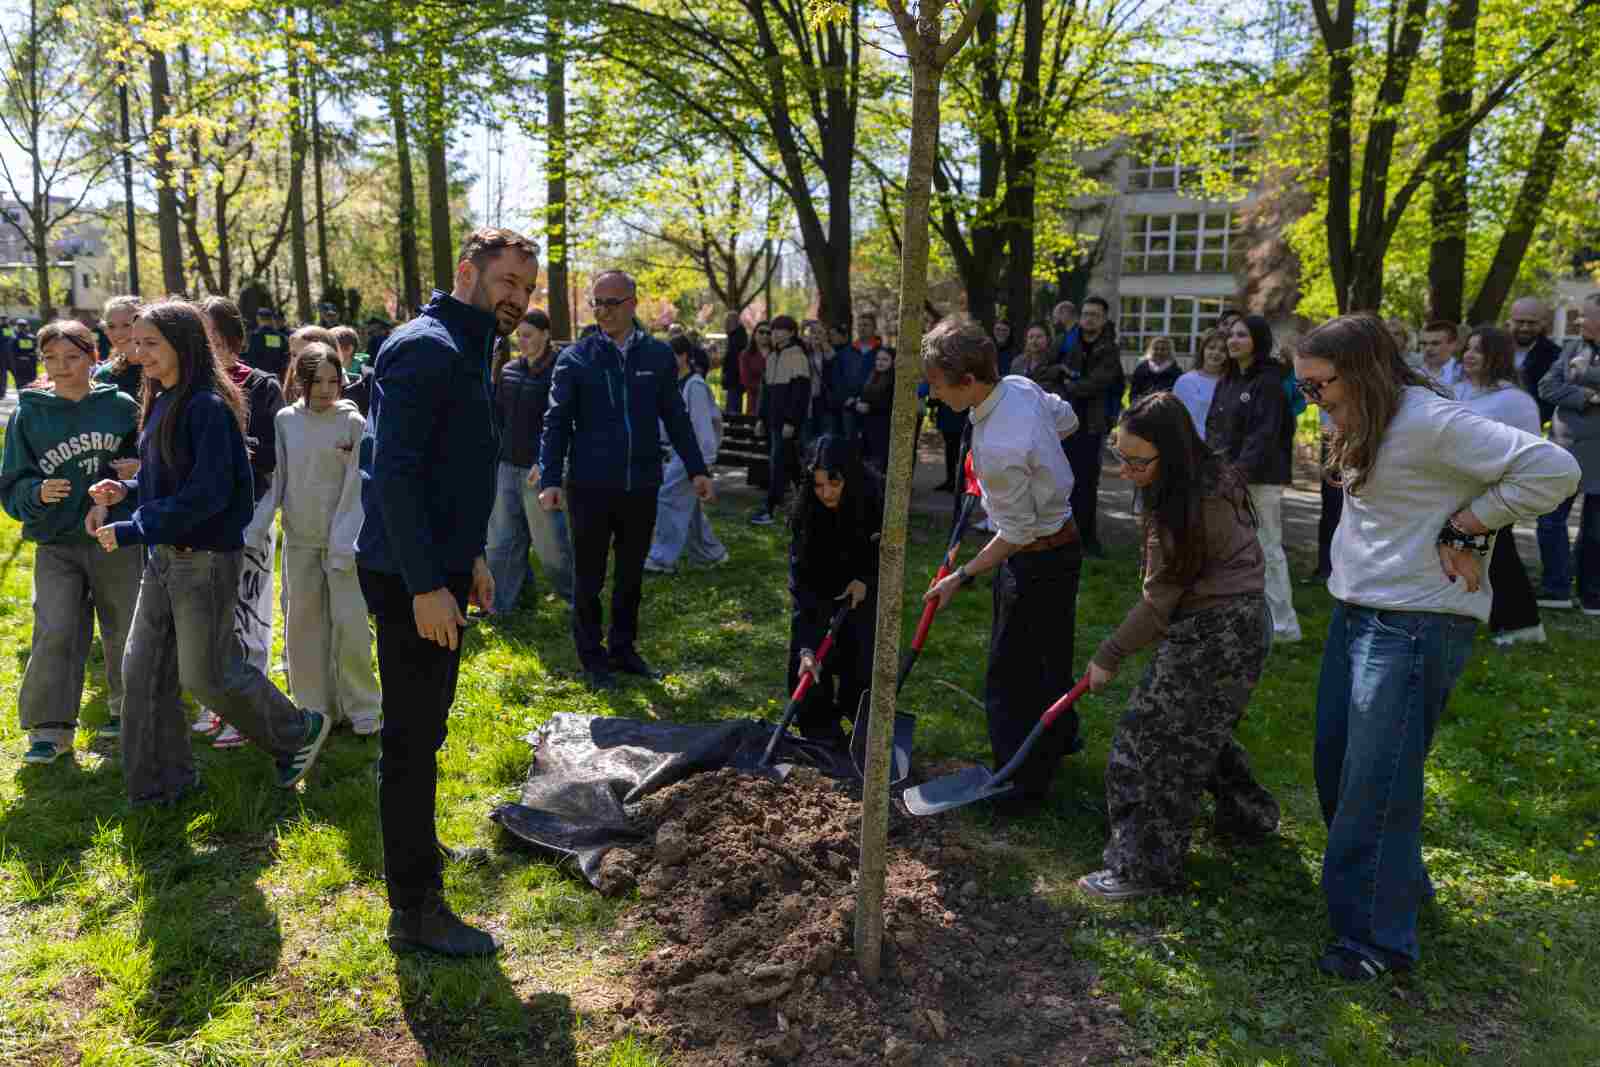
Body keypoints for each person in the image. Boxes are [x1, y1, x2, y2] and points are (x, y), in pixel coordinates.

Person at [1295, 313, 1578, 980]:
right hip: (1360, 609)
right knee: (1339, 765)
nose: (1314, 402)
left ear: (1360, 371)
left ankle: (1375, 941)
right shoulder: (1369, 415)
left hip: (1417, 620)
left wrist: (1470, 525)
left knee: (1377, 782)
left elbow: (1553, 468)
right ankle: (1396, 887)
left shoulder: (1428, 419)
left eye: (1319, 386)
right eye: (1305, 388)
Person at [358, 226, 539, 957]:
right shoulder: (425, 346)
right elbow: (390, 475)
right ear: (468, 270)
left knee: (427, 728)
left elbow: (453, 467)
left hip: (441, 568)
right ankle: (415, 909)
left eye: (527, 288)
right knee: (408, 740)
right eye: (507, 282)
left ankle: (417, 854)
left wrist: (470, 561)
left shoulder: (471, 347)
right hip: (408, 577)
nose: (518, 299)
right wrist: (428, 584)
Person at [86, 300, 332, 805]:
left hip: (204, 561)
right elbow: (166, 483)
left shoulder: (208, 406)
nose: (138, 352)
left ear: (184, 343)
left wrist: (133, 527)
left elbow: (209, 495)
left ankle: (297, 731)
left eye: (150, 343)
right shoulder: (160, 397)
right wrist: (125, 493)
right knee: (142, 674)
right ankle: (160, 789)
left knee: (207, 674)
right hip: (163, 557)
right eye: (135, 342)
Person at [1077, 392, 1276, 900]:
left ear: (1173, 452)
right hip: (1242, 622)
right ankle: (1250, 818)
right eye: (1118, 455)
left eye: (1136, 461)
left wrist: (1109, 655)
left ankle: (1140, 869)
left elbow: (1158, 603)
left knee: (1149, 746)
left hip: (1216, 633)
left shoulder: (1186, 509)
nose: (1125, 470)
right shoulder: (1201, 478)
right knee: (1199, 728)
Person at [922, 318, 1083, 815]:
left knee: (1009, 677)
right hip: (1063, 546)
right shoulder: (1018, 386)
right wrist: (1043, 463)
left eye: (936, 384)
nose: (932, 393)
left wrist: (961, 575)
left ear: (968, 381)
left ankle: (1020, 786)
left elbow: (1014, 535)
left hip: (1034, 556)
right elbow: (1069, 419)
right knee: (1050, 657)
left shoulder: (997, 447)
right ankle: (1057, 742)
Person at [537, 270, 714, 689]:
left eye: (611, 302)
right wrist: (550, 478)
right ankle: (591, 658)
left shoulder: (656, 357)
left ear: (633, 304)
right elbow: (556, 421)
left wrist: (697, 469)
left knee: (631, 574)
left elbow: (675, 416)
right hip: (590, 487)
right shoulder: (576, 358)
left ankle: (623, 648)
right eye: (596, 302)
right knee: (589, 578)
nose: (602, 311)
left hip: (641, 484)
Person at [0, 319, 142, 762]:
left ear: (93, 356)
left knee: (124, 627)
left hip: (114, 538)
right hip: (56, 541)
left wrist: (134, 473)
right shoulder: (29, 413)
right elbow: (11, 484)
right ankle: (50, 727)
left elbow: (148, 464)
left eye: (72, 357)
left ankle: (130, 711)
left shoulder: (121, 407)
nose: (61, 368)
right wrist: (36, 493)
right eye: (51, 358)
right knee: (56, 627)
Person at [255, 344, 381, 733]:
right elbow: (279, 481)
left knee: (351, 626)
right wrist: (255, 527)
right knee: (305, 629)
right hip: (300, 541)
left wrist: (346, 538)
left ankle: (363, 708)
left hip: (344, 542)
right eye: (317, 381)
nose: (326, 389)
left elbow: (358, 485)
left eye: (333, 380)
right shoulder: (285, 421)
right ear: (301, 380)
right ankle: (316, 709)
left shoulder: (353, 422)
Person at [191, 297, 288, 750]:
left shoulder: (261, 385)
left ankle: (250, 710)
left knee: (248, 611)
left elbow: (270, 452)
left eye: (208, 334)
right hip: (201, 521)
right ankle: (218, 702)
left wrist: (227, 455)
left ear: (229, 338)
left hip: (251, 513)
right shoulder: (189, 385)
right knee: (210, 614)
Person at [1206, 314, 1302, 643]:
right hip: (1224, 478)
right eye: (1230, 335)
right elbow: (1214, 431)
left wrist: (1238, 474)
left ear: (1257, 341)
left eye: (1242, 336)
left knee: (1267, 547)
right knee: (1230, 551)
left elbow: (1263, 436)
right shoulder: (1228, 380)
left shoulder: (1270, 383)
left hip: (1259, 478)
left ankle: (1284, 624)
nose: (1233, 341)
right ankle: (1238, 617)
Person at [787, 435, 880, 748]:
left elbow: (885, 552)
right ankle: (819, 729)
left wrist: (866, 578)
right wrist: (805, 648)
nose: (825, 493)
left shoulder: (874, 500)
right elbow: (801, 583)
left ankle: (860, 719)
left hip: (863, 589)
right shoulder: (806, 514)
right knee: (808, 662)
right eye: (818, 485)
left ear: (849, 477)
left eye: (833, 484)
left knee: (861, 656)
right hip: (820, 589)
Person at [1456, 326, 1545, 644]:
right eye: (1467, 348)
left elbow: (1530, 449)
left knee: (1498, 558)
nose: (1469, 354)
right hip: (1457, 489)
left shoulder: (1514, 400)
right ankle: (1473, 615)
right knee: (1468, 554)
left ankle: (1521, 625)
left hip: (1494, 490)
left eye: (1478, 350)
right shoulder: (1456, 391)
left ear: (1496, 356)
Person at [485, 308, 573, 611]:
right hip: (506, 466)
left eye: (528, 336)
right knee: (501, 542)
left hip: (539, 470)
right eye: (519, 336)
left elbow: (565, 422)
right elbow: (498, 419)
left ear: (546, 334)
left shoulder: (560, 371)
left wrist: (546, 463)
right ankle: (499, 607)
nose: (522, 342)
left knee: (549, 543)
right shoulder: (508, 371)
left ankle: (575, 598)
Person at [1037, 295, 1120, 558]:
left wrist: (1070, 385)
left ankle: (1087, 538)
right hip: (1062, 424)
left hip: (1091, 426)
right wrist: (1061, 372)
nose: (1089, 319)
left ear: (1104, 319)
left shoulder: (1109, 349)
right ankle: (1059, 537)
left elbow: (1101, 382)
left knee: (1086, 484)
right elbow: (1043, 371)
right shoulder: (1065, 342)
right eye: (1086, 314)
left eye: (1095, 315)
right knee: (1060, 481)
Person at [1535, 291, 1600, 614]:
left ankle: (1592, 594)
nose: (1578, 321)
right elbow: (1546, 387)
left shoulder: (1577, 359)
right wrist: (1587, 397)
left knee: (1595, 530)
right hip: (1564, 448)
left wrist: (1579, 375)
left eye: (1585, 316)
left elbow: (1565, 381)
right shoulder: (1572, 348)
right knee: (1549, 521)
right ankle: (1556, 587)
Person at [646, 335, 729, 574]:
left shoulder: (695, 386)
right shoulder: (671, 383)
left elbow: (703, 427)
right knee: (689, 508)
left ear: (682, 357)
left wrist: (703, 464)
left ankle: (661, 559)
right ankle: (711, 553)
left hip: (694, 455)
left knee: (667, 497)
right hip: (675, 453)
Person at [749, 315, 811, 526]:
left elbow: (800, 394)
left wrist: (791, 422)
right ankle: (808, 504)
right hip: (772, 422)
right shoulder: (773, 357)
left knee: (777, 464)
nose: (775, 333)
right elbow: (764, 393)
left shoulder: (798, 356)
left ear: (791, 333)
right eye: (774, 329)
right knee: (791, 465)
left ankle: (768, 509)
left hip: (786, 424)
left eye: (780, 330)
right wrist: (760, 419)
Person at [1509, 298, 1561, 424]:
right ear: (1510, 321)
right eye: (1520, 321)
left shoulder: (1555, 356)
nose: (1525, 328)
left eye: (1531, 323)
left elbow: (1551, 399)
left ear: (1543, 323)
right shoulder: (1493, 349)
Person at [1173, 328, 1227, 442]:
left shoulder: (1232, 382)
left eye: (1222, 350)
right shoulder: (1186, 381)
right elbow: (1175, 418)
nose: (1216, 353)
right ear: (1203, 350)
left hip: (1223, 448)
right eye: (1211, 347)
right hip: (1192, 446)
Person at [93, 295, 145, 398]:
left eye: (126, 325)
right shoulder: (104, 375)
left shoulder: (162, 369)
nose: (118, 333)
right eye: (111, 326)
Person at [855, 347, 895, 472]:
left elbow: (888, 402)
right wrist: (858, 402)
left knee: (880, 462)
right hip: (868, 425)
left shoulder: (894, 378)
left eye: (885, 359)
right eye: (878, 359)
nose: (880, 362)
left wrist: (869, 406)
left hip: (883, 426)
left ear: (892, 361)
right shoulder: (873, 375)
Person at [1128, 335, 1181, 405]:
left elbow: (1179, 396)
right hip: (1143, 410)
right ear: (1151, 350)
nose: (1159, 352)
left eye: (1163, 349)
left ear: (1169, 351)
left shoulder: (1176, 372)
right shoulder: (1141, 369)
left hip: (1167, 411)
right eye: (1156, 349)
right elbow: (1133, 393)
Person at [245, 304, 289, 381]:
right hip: (276, 378)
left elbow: (249, 357)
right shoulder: (280, 337)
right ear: (271, 319)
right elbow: (284, 357)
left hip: (257, 377)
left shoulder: (253, 336)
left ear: (258, 318)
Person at [1417, 320, 1465, 390]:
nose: (1428, 349)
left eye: (1435, 343)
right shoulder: (1414, 373)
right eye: (1424, 344)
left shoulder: (1463, 373)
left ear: (1452, 345)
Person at [739, 320, 771, 418]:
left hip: (775, 403)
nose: (765, 335)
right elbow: (745, 381)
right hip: (755, 402)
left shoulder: (777, 354)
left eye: (768, 333)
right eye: (761, 332)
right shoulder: (746, 355)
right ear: (754, 334)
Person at [722, 311, 748, 416]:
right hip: (734, 379)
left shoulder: (737, 338)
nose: (726, 324)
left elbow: (732, 360)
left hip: (735, 379)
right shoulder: (737, 336)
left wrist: (726, 374)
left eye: (728, 322)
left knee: (733, 409)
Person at [12, 318, 39, 388]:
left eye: (22, 326)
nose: (22, 328)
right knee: (30, 382)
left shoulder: (14, 338)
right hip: (27, 363)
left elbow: (12, 352)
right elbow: (35, 350)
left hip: (23, 364)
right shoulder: (32, 338)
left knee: (24, 383)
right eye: (21, 326)